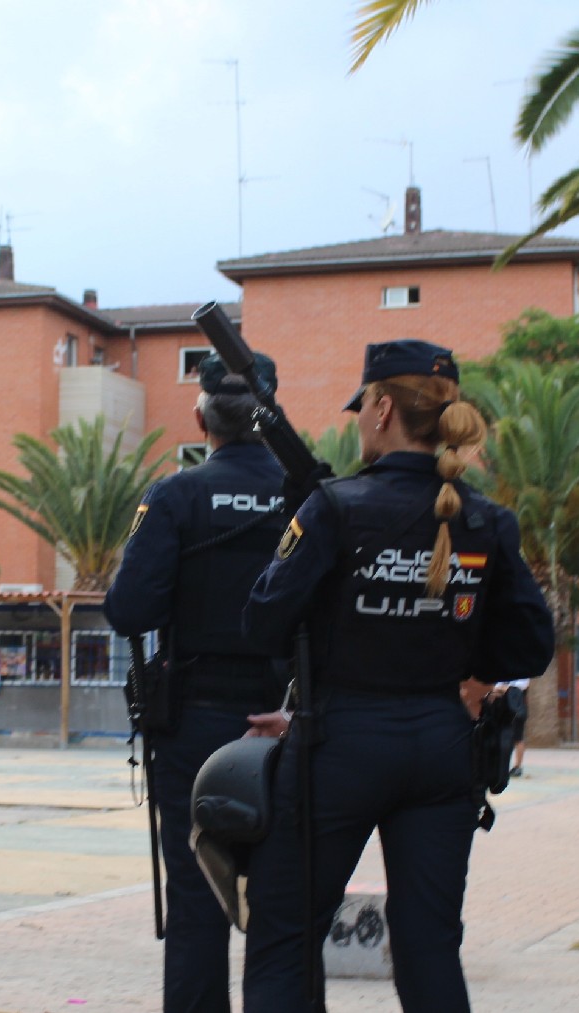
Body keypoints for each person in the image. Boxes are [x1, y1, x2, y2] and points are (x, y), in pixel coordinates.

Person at [238, 339, 554, 1012]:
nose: (358, 420)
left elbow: (261, 622)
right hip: (443, 745)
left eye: (362, 408)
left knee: (285, 936)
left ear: (382, 409)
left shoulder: (334, 506)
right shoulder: (487, 519)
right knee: (429, 943)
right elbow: (532, 640)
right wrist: (472, 671)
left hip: (340, 743)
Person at [106, 351, 290, 1013]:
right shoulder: (311, 494)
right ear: (271, 416)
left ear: (200, 418)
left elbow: (128, 609)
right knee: (287, 908)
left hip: (195, 726)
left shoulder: (176, 494)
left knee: (196, 904)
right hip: (290, 723)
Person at [496, 677, 530, 777]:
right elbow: (497, 687)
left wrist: (505, 688)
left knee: (518, 738)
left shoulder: (524, 675)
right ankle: (502, 766)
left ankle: (518, 767)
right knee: (503, 737)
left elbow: (521, 687)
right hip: (504, 709)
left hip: (517, 710)